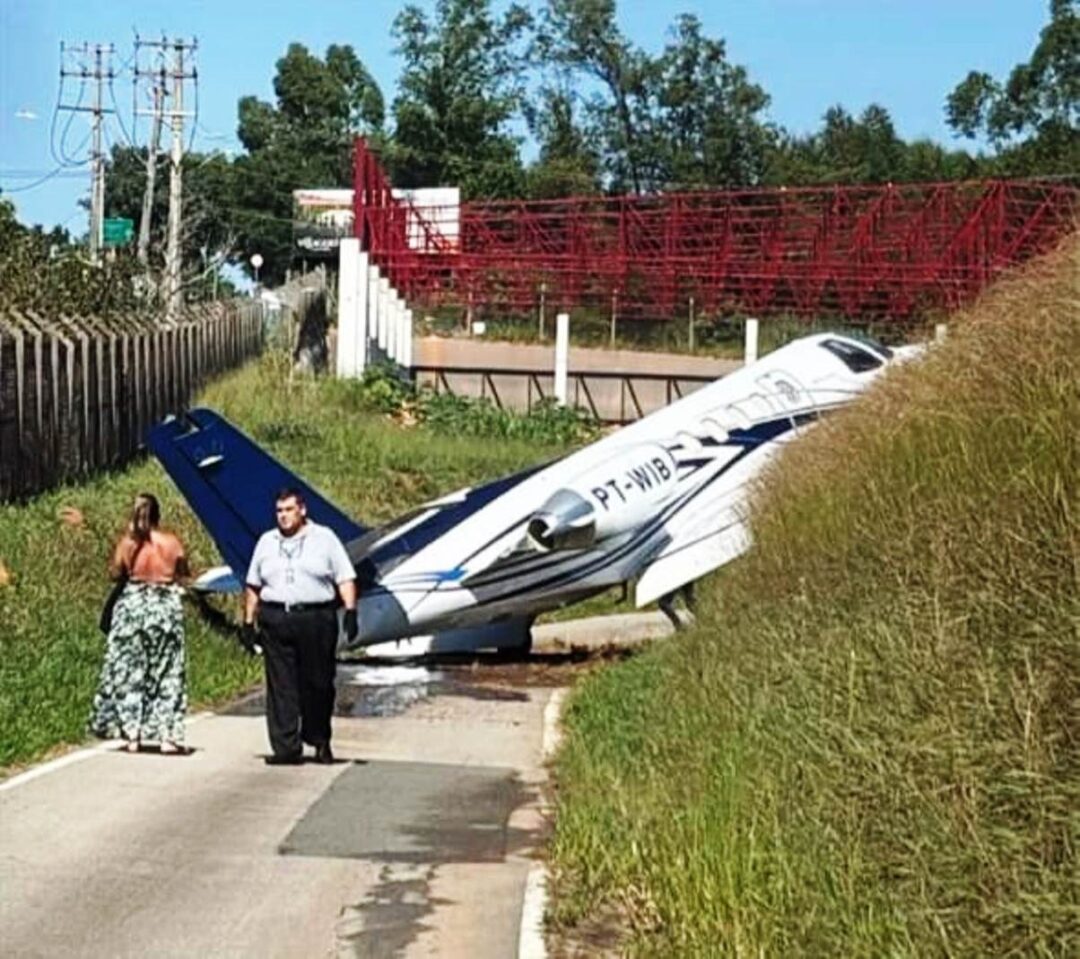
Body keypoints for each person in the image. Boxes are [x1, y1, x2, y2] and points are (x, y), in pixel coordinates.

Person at [243, 487, 358, 765]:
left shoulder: (325, 538)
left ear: (302, 510)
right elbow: (253, 585)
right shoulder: (266, 542)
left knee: (317, 682)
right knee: (281, 685)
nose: (283, 516)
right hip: (277, 616)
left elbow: (345, 577)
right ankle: (286, 747)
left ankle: (318, 738)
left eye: (289, 510)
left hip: (316, 618)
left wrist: (351, 611)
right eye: (279, 511)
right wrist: (248, 622)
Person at [90, 493, 190, 754]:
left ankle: (132, 733)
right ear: (159, 515)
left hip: (133, 606)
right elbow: (182, 573)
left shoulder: (128, 544)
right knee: (167, 671)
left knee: (129, 671)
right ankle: (167, 735)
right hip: (164, 606)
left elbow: (116, 573)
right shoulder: (172, 543)